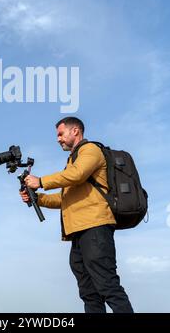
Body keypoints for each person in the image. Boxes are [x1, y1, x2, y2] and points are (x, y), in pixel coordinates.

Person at [20, 116, 134, 314]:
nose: (58, 139)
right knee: (89, 293)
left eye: (60, 134)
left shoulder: (90, 150)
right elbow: (65, 198)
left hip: (95, 228)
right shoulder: (72, 161)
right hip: (78, 233)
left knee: (108, 285)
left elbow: (78, 174)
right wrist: (37, 198)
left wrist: (41, 181)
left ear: (75, 131)